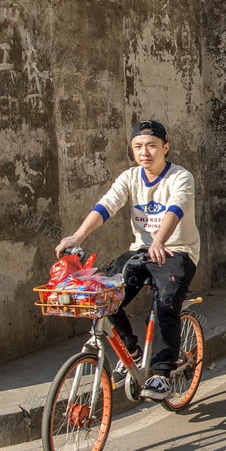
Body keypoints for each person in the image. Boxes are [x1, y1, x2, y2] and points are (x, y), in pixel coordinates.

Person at [55, 119, 200, 401]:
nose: (144, 152)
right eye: (138, 146)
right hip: (141, 251)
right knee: (102, 295)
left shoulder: (181, 177)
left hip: (177, 250)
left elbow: (175, 208)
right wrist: (77, 238)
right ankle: (131, 351)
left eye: (151, 146)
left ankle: (160, 372)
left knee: (166, 302)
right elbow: (106, 205)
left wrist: (159, 240)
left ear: (165, 148)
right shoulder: (130, 178)